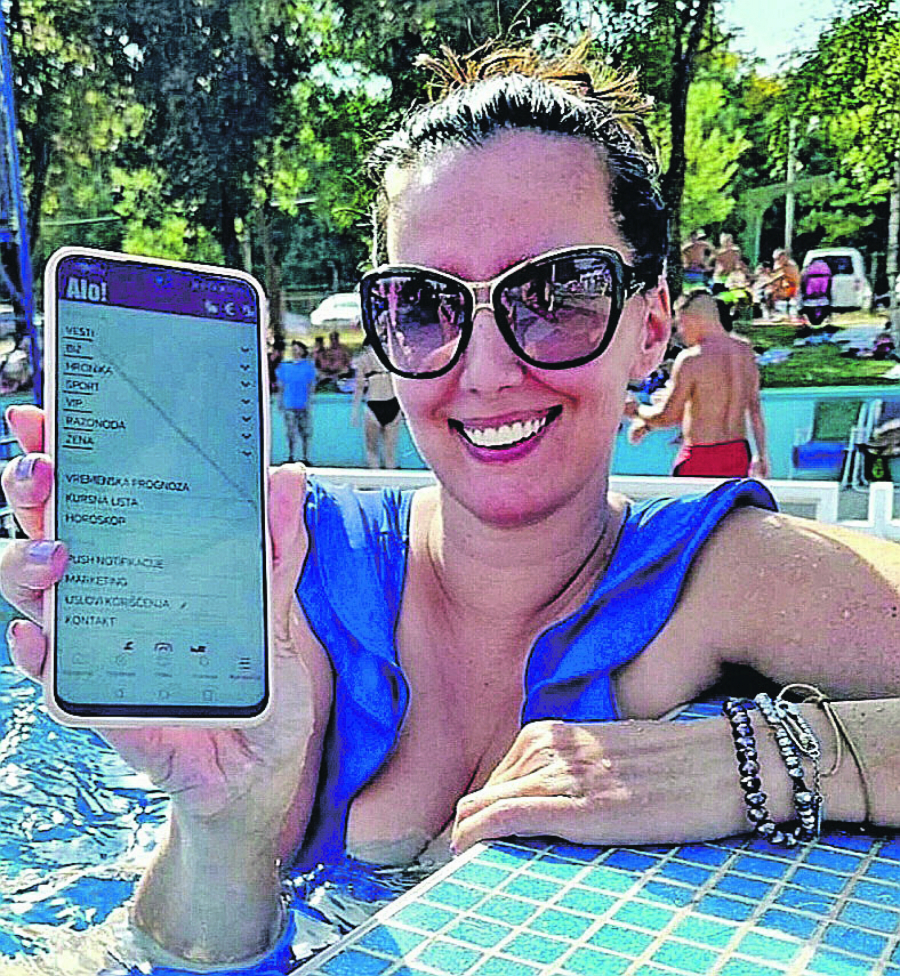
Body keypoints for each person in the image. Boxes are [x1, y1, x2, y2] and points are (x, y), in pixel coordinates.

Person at [0, 40, 898, 972]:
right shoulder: (304, 567)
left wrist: (748, 759)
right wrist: (224, 818)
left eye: (559, 294)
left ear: (651, 328)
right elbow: (191, 948)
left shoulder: (719, 573)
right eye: (425, 305)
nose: (487, 369)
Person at [625, 290, 770, 478]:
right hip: (738, 455)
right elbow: (752, 408)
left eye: (681, 324)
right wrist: (761, 455)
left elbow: (667, 416)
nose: (680, 333)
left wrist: (635, 410)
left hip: (701, 457)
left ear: (693, 319)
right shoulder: (744, 352)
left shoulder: (692, 359)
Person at [351, 336, 403, 468]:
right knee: (388, 450)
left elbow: (359, 387)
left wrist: (355, 411)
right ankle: (388, 478)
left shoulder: (365, 360)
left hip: (377, 403)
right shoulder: (392, 358)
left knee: (373, 449)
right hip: (390, 403)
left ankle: (378, 476)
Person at [275, 340, 317, 463]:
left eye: (297, 348)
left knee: (305, 431)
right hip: (289, 403)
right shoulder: (284, 366)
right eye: (293, 348)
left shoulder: (308, 366)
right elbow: (280, 385)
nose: (295, 351)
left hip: (303, 404)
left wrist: (310, 400)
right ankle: (291, 456)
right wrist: (279, 401)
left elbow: (311, 385)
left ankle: (305, 457)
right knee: (290, 431)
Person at [762, 248, 801, 322]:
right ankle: (772, 313)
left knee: (774, 293)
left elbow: (793, 279)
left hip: (792, 287)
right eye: (776, 259)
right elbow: (776, 278)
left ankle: (789, 315)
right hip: (782, 287)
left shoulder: (791, 265)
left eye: (779, 258)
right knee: (768, 293)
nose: (778, 260)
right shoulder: (778, 265)